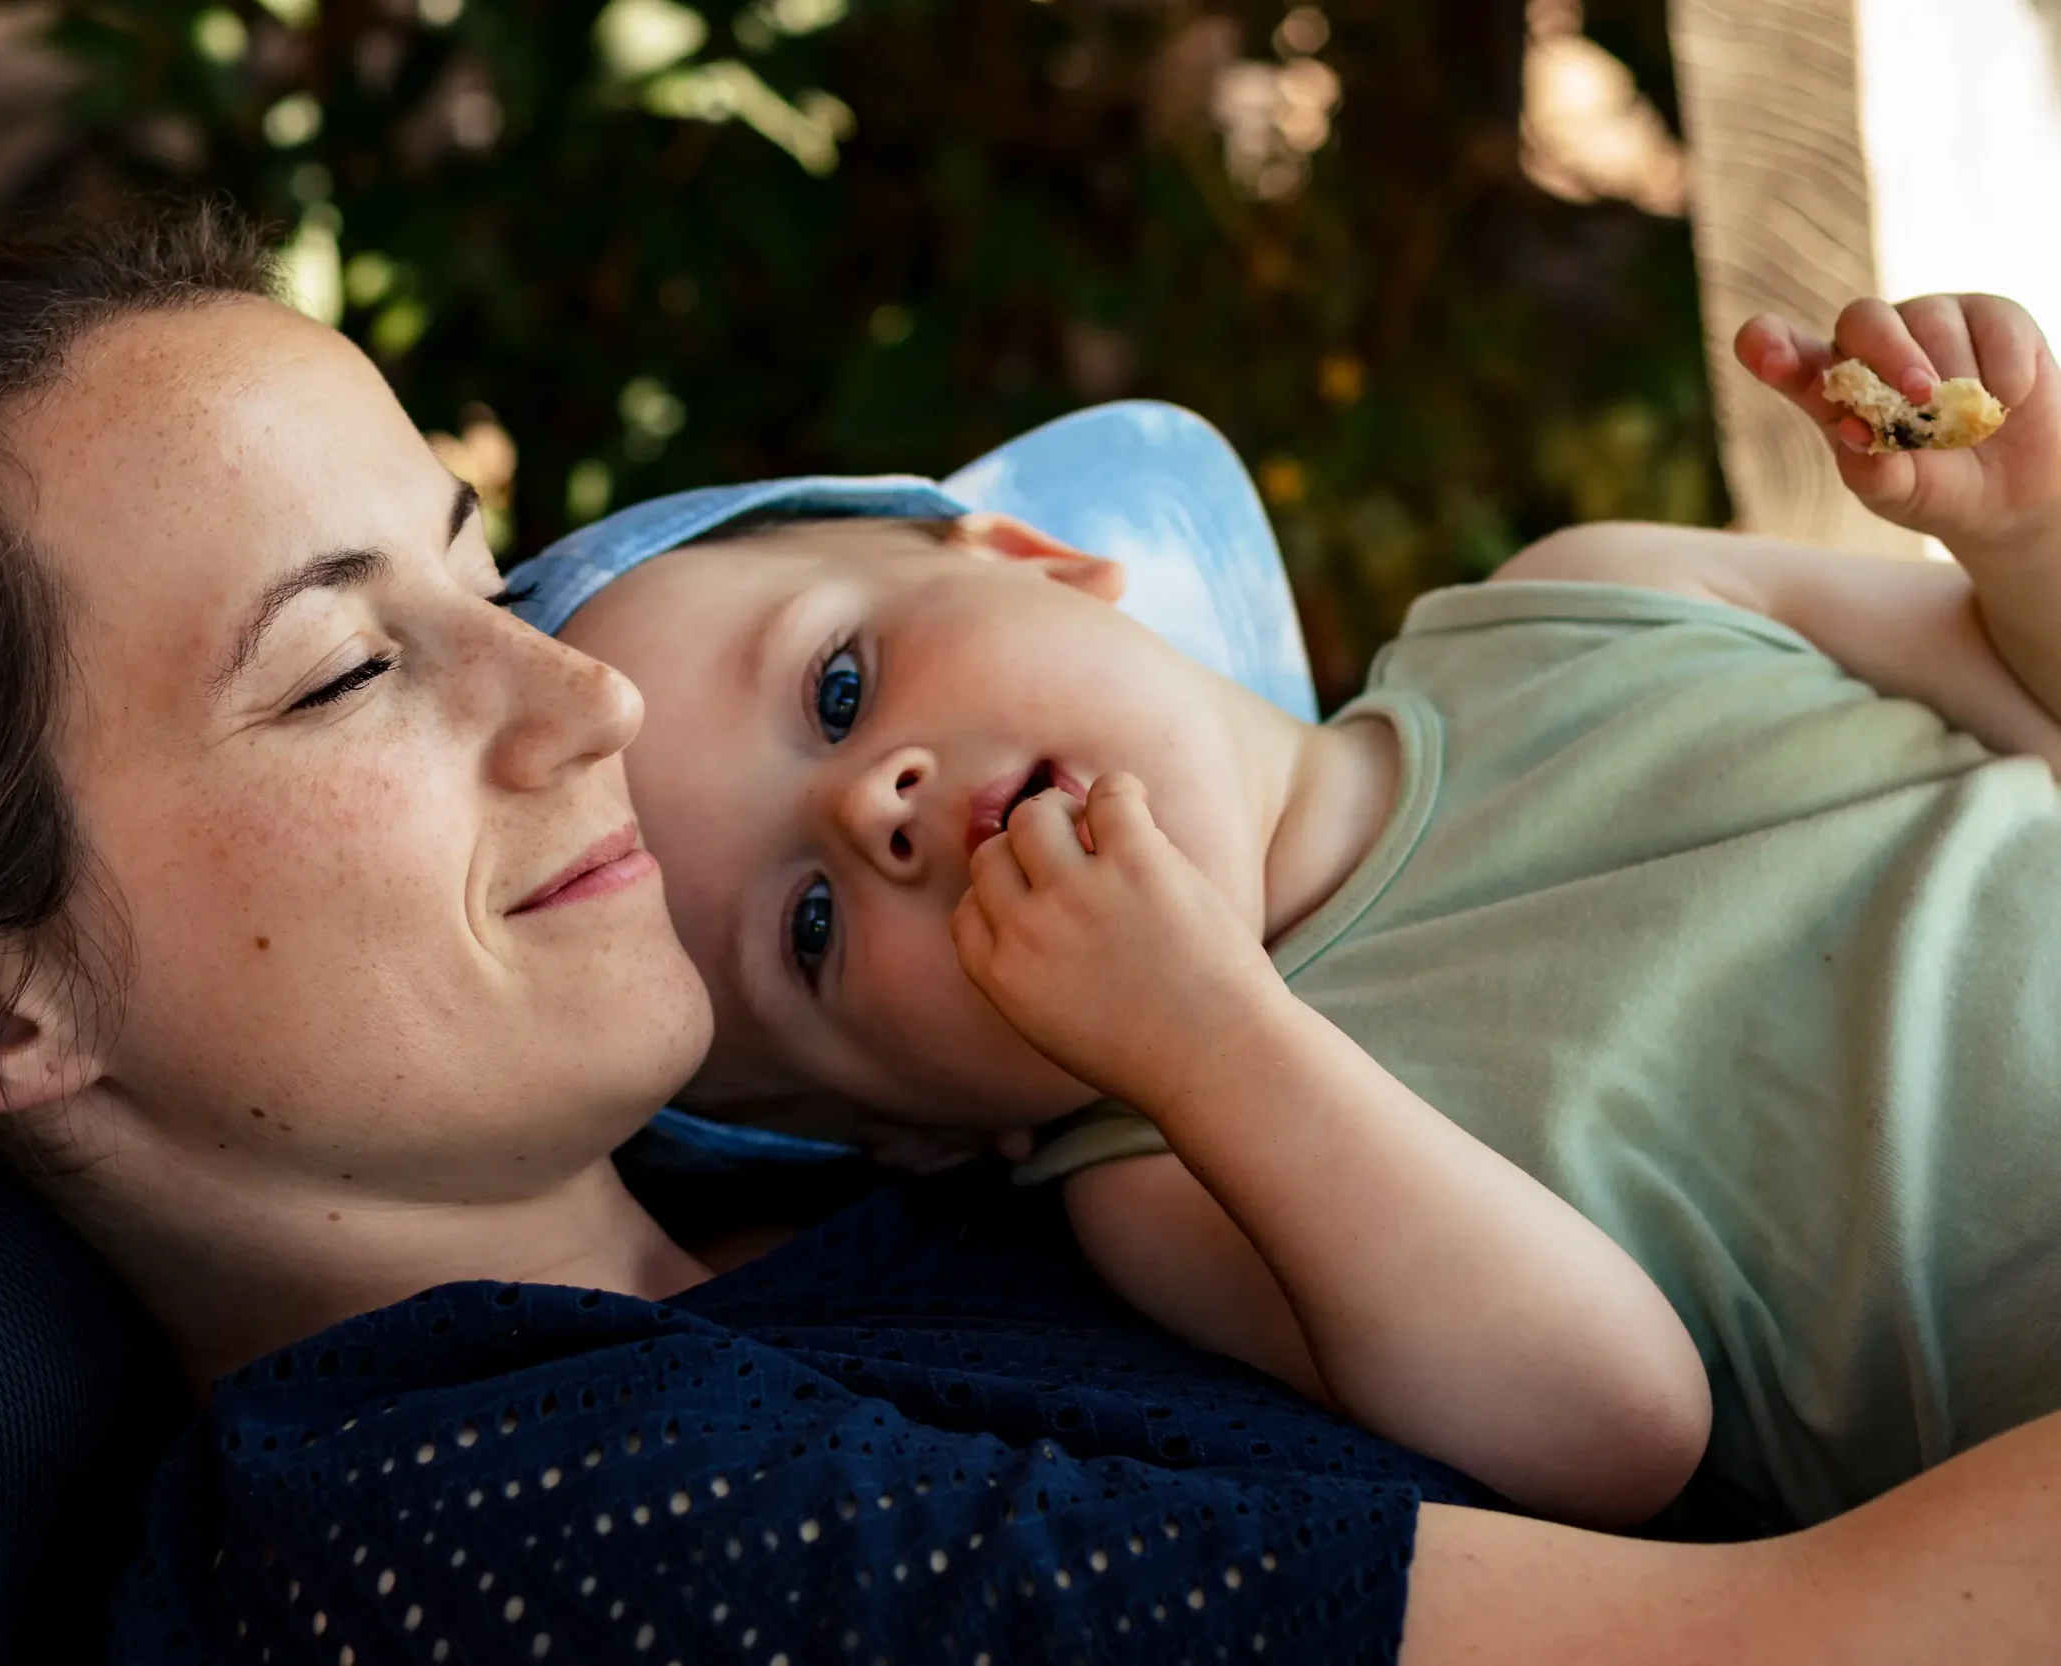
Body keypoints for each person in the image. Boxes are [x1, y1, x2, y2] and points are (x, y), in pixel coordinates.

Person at [0, 210, 2061, 1665]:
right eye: (340, 670)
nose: (581, 701)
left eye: (470, 578)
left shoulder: (901, 1184)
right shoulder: (498, 1508)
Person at [533, 292, 2061, 1533]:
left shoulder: (1593, 594)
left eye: (838, 688)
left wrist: (2021, 536)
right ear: (922, 1137)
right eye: (809, 930)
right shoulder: (1171, 1174)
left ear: (1035, 561)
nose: (876, 806)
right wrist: (1207, 1038)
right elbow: (1622, 1425)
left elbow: (2030, 703)